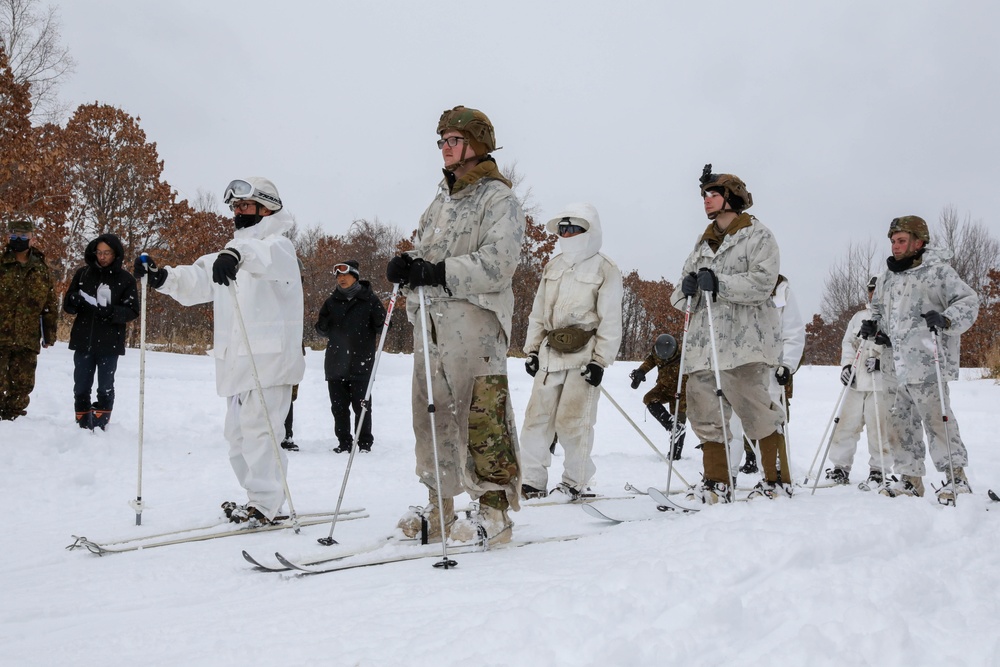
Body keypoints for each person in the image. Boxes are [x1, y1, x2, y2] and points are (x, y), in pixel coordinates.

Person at [386, 105, 524, 545]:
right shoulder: (440, 202)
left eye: (453, 140)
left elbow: (498, 264)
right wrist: (408, 265)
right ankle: (439, 504)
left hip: (475, 326)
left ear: (477, 143)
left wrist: (439, 272)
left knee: (481, 416)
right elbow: (424, 252)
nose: (445, 149)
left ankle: (494, 510)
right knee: (431, 416)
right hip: (433, 326)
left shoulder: (498, 199)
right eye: (441, 141)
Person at [134, 177, 304, 524]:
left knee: (262, 433)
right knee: (237, 437)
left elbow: (264, 259)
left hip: (270, 362)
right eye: (235, 207)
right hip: (237, 363)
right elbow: (198, 279)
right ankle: (256, 497)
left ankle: (267, 503)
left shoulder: (280, 246)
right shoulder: (229, 252)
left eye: (246, 206)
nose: (238, 212)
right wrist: (162, 277)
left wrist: (236, 254)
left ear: (267, 208)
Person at [670, 165, 787, 503]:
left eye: (713, 194)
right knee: (703, 411)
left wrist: (721, 284)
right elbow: (680, 293)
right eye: (704, 195)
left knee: (755, 410)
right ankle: (716, 481)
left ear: (731, 198)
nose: (706, 201)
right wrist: (688, 288)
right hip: (704, 344)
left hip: (744, 341)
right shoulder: (703, 241)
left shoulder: (758, 236)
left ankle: (775, 480)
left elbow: (764, 282)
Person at [863, 216, 979, 503]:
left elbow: (968, 300)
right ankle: (910, 479)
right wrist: (875, 326)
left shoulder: (938, 271)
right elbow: (878, 309)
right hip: (896, 365)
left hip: (928, 362)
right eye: (892, 241)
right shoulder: (888, 276)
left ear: (919, 241)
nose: (895, 246)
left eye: (901, 240)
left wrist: (947, 318)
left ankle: (957, 479)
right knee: (900, 424)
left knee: (938, 421)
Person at [519, 203, 623, 500]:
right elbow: (538, 311)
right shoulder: (554, 267)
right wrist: (533, 349)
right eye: (562, 229)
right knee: (536, 419)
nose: (566, 233)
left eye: (573, 228)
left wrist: (601, 360)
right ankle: (532, 480)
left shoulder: (605, 268)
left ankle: (574, 481)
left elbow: (610, 318)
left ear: (589, 230)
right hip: (550, 355)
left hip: (583, 355)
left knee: (573, 422)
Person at [62, 233, 140, 430]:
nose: (102, 257)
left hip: (109, 342)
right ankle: (81, 423)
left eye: (107, 253)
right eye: (99, 252)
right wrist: (73, 301)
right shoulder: (83, 274)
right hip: (83, 339)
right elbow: (68, 304)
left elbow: (133, 311)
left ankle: (100, 424)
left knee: (105, 387)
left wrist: (112, 312)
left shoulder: (126, 279)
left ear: (116, 254)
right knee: (81, 386)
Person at [733, 273, 805, 476]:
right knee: (732, 423)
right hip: (739, 366)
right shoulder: (739, 284)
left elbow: (794, 333)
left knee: (770, 422)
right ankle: (726, 477)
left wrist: (787, 365)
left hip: (771, 371)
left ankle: (775, 477)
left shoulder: (783, 293)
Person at [315, 260, 387, 454]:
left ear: (355, 277)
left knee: (361, 406)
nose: (341, 279)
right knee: (338, 407)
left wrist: (383, 320)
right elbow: (321, 329)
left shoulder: (370, 300)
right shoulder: (331, 302)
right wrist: (322, 326)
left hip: (361, 362)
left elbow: (383, 327)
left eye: (345, 275)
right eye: (338, 276)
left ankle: (364, 443)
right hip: (336, 363)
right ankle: (344, 442)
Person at [0, 219, 57, 421]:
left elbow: (49, 304)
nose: (18, 240)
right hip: (2, 334)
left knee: (22, 383)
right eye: (14, 235)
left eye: (23, 236)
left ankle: (14, 419)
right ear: (7, 237)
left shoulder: (40, 269)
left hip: (27, 336)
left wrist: (49, 334)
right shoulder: (2, 263)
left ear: (32, 238)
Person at [629, 333, 687, 460]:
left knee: (680, 422)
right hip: (663, 388)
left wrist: (683, 395)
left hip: (680, 392)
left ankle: (675, 455)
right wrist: (641, 371)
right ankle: (670, 425)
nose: (663, 358)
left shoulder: (684, 358)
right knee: (649, 398)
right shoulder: (657, 352)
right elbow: (651, 361)